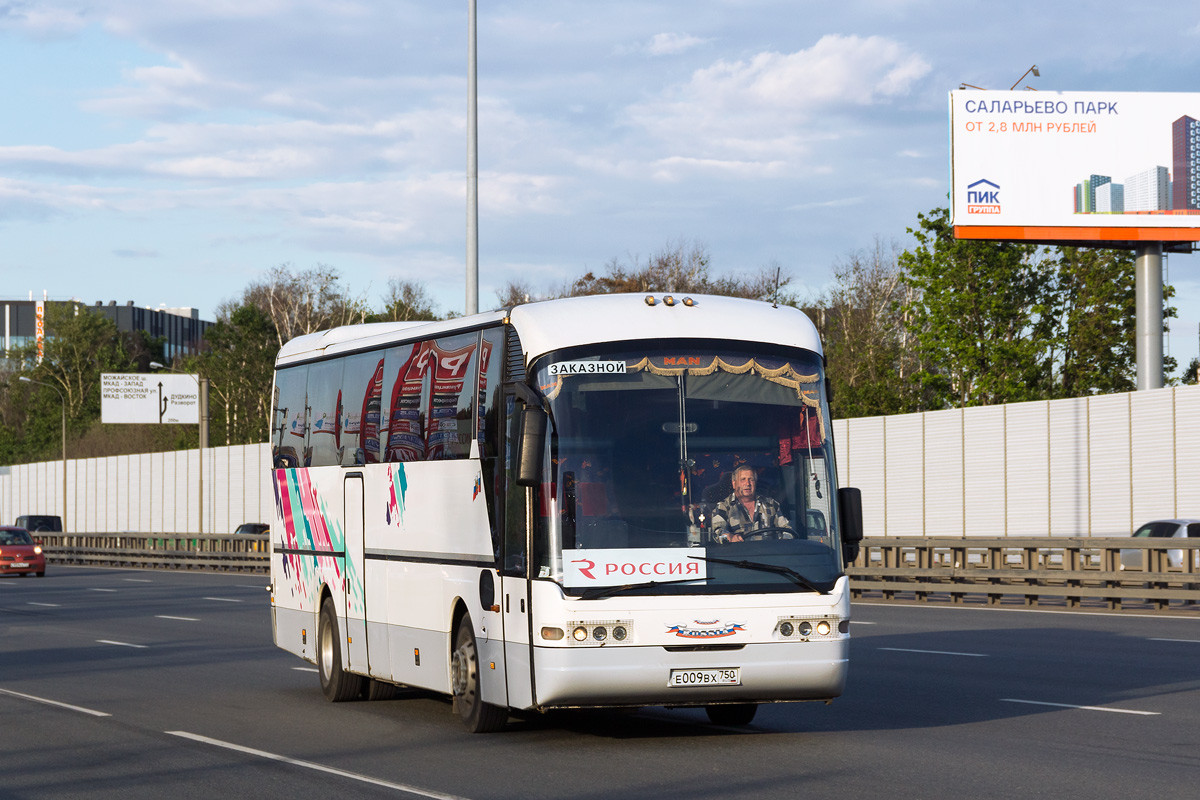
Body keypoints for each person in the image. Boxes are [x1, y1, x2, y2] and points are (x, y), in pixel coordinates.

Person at [710, 466, 792, 543]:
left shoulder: (771, 505)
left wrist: (785, 540)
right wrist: (730, 537)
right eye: (743, 479)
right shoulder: (723, 507)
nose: (747, 483)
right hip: (738, 556)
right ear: (734, 484)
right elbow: (717, 533)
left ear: (755, 482)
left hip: (768, 555)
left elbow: (787, 529)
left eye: (751, 479)